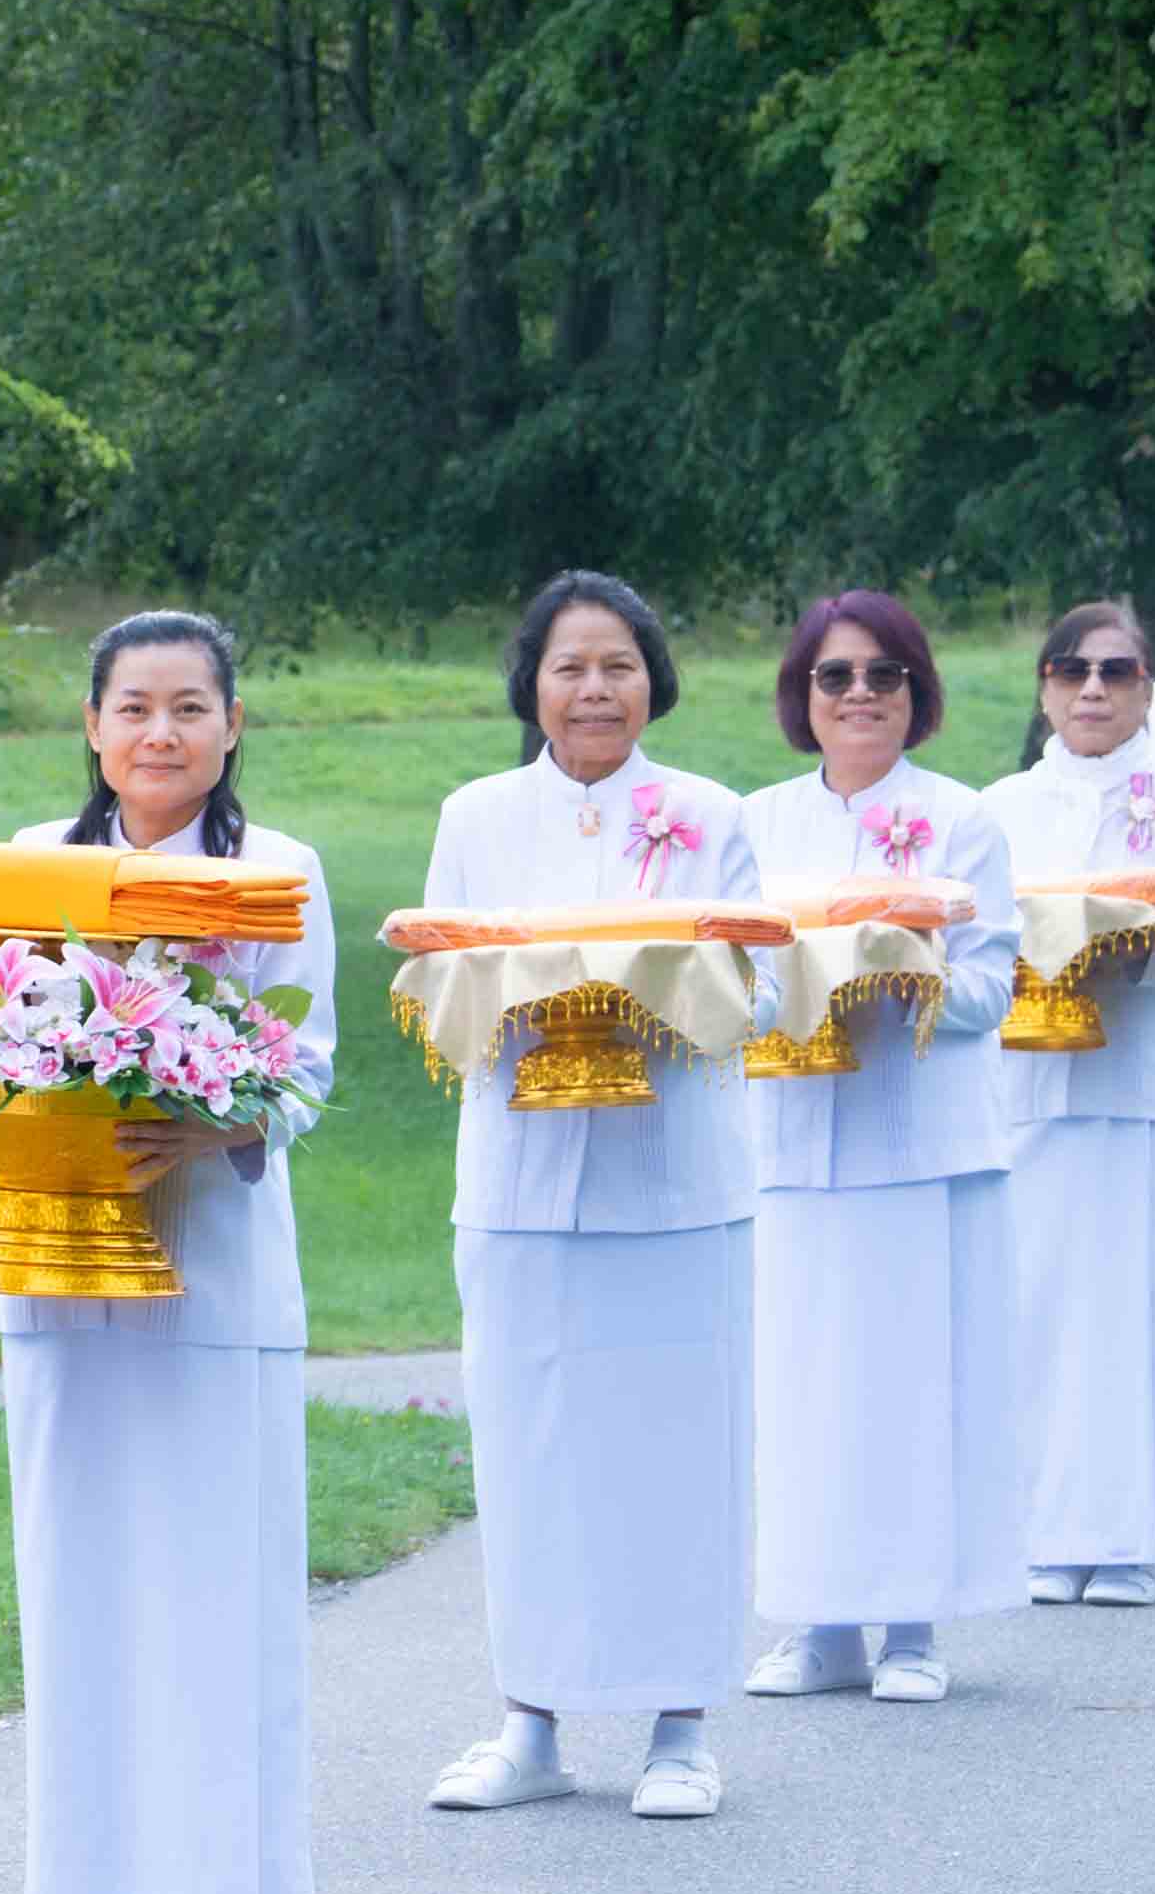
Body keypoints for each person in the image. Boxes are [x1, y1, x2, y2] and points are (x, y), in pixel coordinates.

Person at [0, 612, 332, 1894]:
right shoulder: (27, 867)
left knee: (205, 1573)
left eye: (188, 707)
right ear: (92, 723)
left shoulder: (276, 869)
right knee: (77, 1572)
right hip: (53, 1261)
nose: (158, 733)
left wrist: (218, 1117)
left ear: (232, 724)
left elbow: (307, 1064)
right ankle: (85, 1883)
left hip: (211, 1266)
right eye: (133, 707)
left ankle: (198, 1890)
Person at [419, 571, 762, 1822]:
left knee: (679, 1446)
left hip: (675, 1181)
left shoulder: (709, 812)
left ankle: (680, 1724)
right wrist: (530, 1000)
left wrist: (642, 994)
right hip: (516, 1185)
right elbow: (438, 987)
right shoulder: (475, 813)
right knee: (529, 1451)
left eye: (616, 664)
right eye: (568, 666)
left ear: (651, 680)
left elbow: (759, 995)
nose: (593, 689)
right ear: (532, 684)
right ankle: (532, 1717)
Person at [739, 592, 1025, 1706]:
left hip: (916, 1138)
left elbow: (995, 986)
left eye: (883, 675)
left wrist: (899, 985)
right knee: (803, 1385)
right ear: (799, 694)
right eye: (834, 676)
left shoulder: (961, 821)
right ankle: (817, 1622)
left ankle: (912, 1623)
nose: (858, 695)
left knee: (908, 1381)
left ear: (917, 691)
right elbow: (732, 977)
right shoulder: (751, 821)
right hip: (792, 1140)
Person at [989, 600, 1155, 1607]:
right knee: (1045, 1305)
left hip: (1151, 1079)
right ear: (1044, 687)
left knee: (1146, 1304)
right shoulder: (997, 806)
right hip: (1034, 1083)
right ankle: (1050, 1530)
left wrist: (1140, 957)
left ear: (1147, 686)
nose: (1089, 689)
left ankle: (1134, 1534)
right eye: (1068, 671)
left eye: (1111, 671)